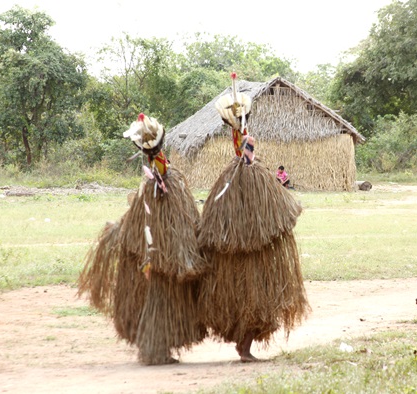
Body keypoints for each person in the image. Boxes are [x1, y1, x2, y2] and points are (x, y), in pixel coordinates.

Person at [78, 113, 209, 365]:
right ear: (161, 144)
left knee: (161, 296)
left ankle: (157, 348)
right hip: (163, 249)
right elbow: (167, 215)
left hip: (161, 247)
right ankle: (154, 350)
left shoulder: (156, 180)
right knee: (161, 297)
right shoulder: (159, 182)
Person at [198, 73, 310, 362]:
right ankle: (243, 345)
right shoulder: (241, 175)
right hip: (243, 252)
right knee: (247, 296)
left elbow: (280, 218)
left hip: (253, 253)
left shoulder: (250, 176)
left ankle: (244, 345)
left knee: (254, 296)